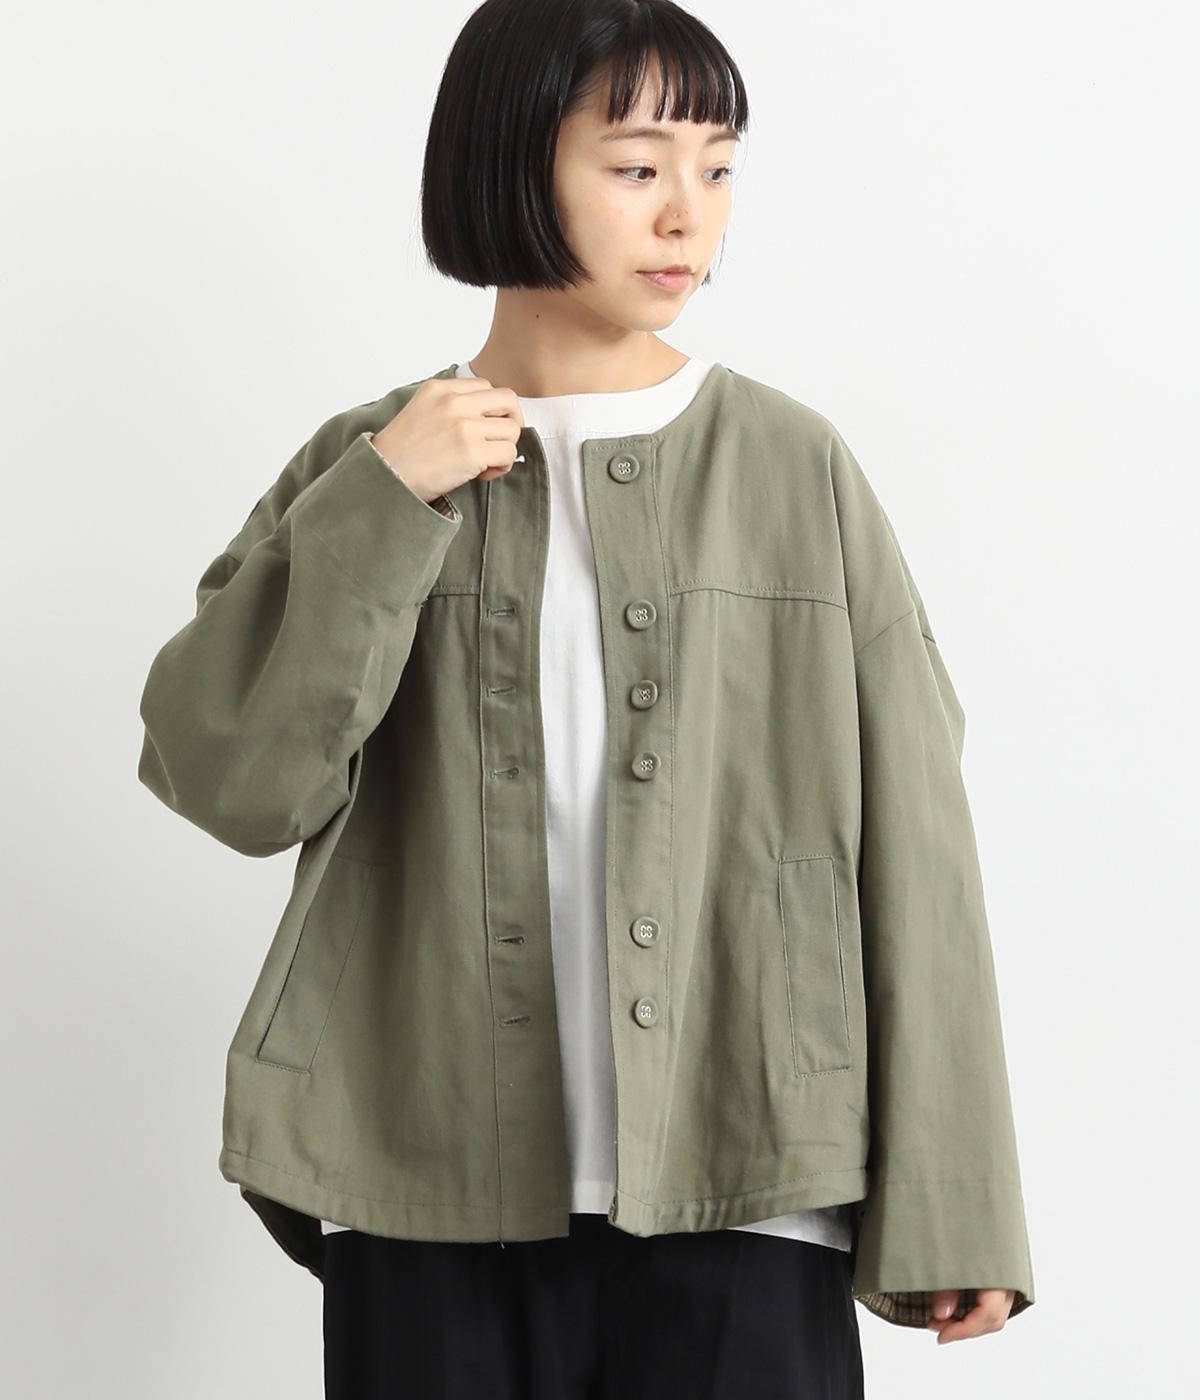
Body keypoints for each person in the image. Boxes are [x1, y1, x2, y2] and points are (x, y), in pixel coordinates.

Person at [136, 1, 1035, 1395]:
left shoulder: (792, 468)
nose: (688, 214)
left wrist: (956, 1196)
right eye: (635, 166)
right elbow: (231, 780)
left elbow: (920, 848)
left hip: (747, 1175)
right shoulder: (367, 460)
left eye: (717, 167)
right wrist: (385, 501)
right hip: (423, 1176)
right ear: (507, 163)